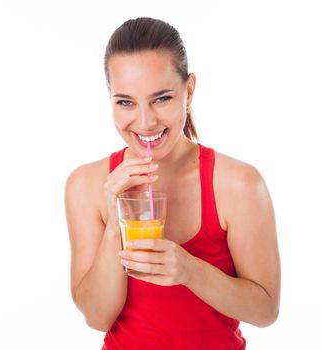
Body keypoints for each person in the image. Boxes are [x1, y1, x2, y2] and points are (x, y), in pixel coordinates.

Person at [64, 17, 281, 350]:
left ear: (189, 90)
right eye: (126, 102)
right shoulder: (86, 185)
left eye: (161, 98)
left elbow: (266, 310)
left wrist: (190, 271)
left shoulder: (239, 184)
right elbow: (97, 317)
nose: (145, 121)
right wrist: (114, 226)